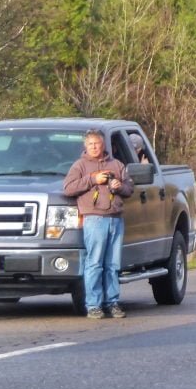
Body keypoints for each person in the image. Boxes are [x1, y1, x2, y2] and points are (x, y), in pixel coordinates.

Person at [63, 129, 134, 319]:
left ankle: (112, 303)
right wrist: (93, 179)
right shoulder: (80, 166)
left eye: (98, 143)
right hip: (94, 219)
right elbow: (68, 188)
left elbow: (129, 188)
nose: (95, 147)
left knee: (113, 264)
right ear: (85, 146)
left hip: (115, 219)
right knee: (94, 263)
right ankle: (93, 305)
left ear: (104, 145)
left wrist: (120, 186)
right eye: (91, 144)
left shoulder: (116, 164)